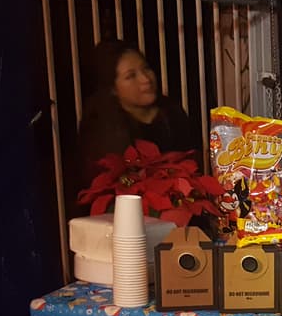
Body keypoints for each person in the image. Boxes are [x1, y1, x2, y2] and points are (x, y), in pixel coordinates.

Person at [72, 40, 199, 216]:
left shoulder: (171, 111)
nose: (146, 79)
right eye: (131, 76)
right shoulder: (101, 123)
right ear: (113, 89)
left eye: (146, 69)